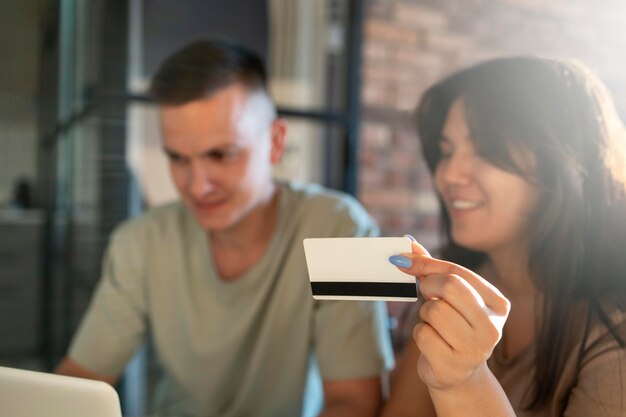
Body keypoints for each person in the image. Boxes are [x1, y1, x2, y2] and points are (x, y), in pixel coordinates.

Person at [55, 38, 393, 417]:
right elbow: (80, 384)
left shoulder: (342, 229)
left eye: (222, 154)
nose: (197, 186)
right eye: (178, 158)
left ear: (276, 142)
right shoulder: (140, 242)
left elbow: (356, 405)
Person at [381, 56, 626, 417]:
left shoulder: (613, 331)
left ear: (562, 165)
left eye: (485, 148)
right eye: (446, 152)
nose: (448, 174)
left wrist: (465, 381)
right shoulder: (451, 291)